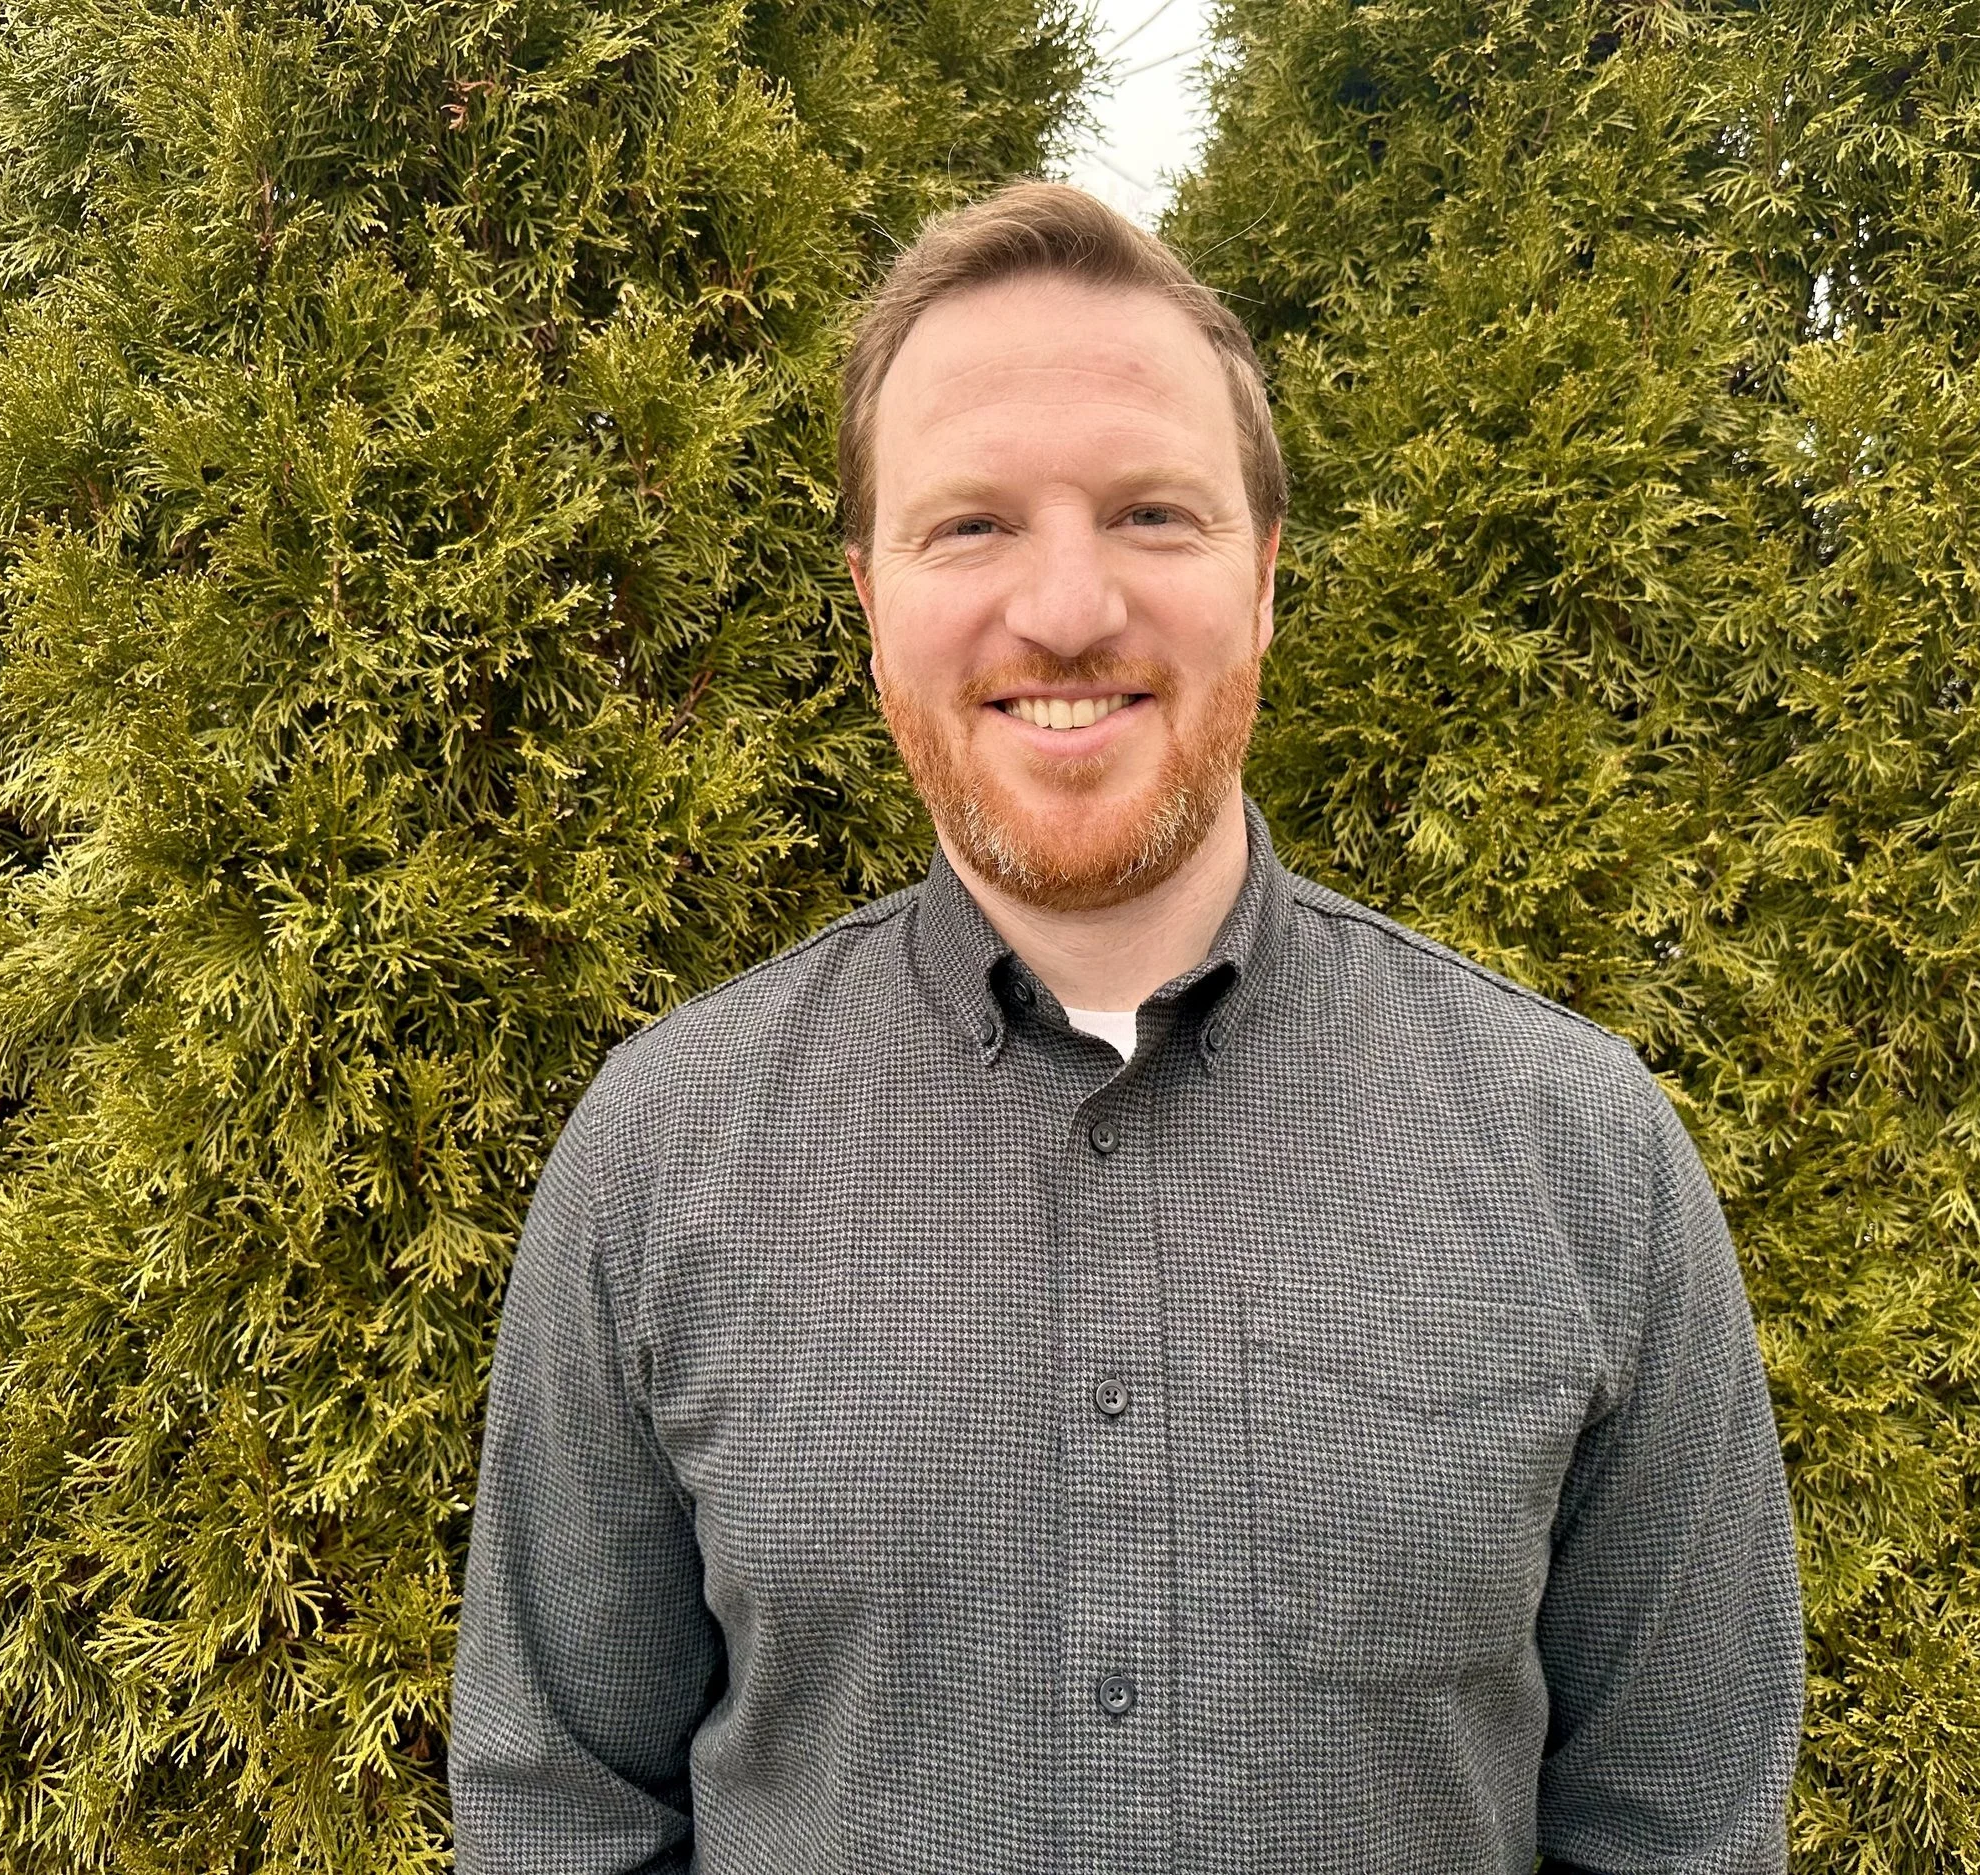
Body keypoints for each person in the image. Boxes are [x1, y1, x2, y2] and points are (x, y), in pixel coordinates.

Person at [449, 181, 1803, 1874]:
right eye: (974, 526)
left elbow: (1676, 1824)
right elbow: (558, 1814)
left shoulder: (1585, 1154)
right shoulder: (657, 1155)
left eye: (1155, 514)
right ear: (872, 600)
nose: (1069, 607)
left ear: (1266, 578)